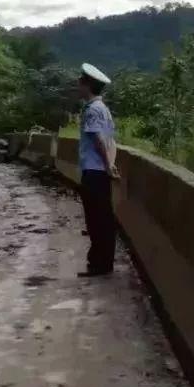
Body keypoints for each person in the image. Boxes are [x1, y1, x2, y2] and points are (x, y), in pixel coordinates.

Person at [77, 63, 119, 278]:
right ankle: (104, 263)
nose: (78, 84)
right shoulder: (103, 109)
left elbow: (100, 140)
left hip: (94, 171)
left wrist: (106, 165)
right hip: (101, 171)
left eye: (81, 81)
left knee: (96, 219)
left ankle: (99, 264)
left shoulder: (93, 110)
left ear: (88, 85)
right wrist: (110, 165)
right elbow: (111, 140)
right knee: (103, 218)